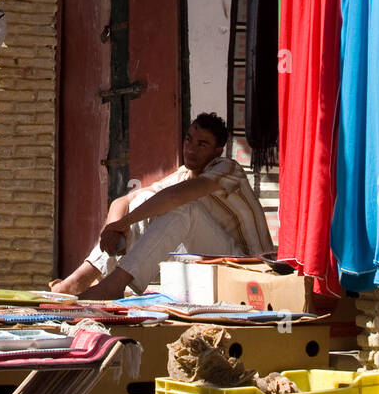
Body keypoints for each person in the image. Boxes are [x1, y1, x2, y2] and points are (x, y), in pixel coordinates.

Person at [53, 113, 274, 299]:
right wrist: (114, 228)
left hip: (247, 264)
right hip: (210, 262)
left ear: (217, 150)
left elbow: (174, 197)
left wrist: (123, 223)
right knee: (143, 203)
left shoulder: (227, 168)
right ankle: (78, 280)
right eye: (188, 140)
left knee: (181, 207)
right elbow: (124, 201)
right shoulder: (184, 174)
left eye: (202, 144)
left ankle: (114, 285)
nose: (191, 149)